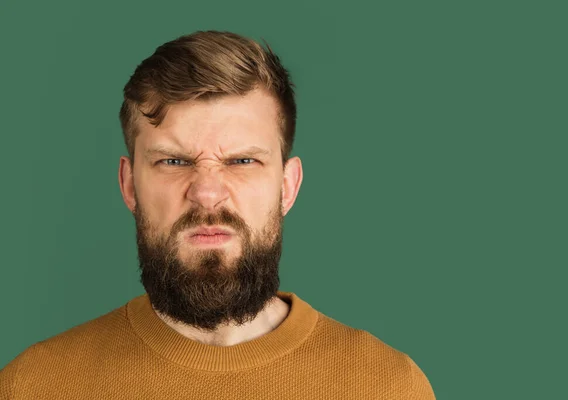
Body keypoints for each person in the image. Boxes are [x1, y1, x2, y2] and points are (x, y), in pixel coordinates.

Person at [0, 30, 435, 399]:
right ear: (130, 184)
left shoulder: (388, 387)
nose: (207, 193)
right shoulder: (33, 385)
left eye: (242, 161)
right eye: (173, 162)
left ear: (287, 186)